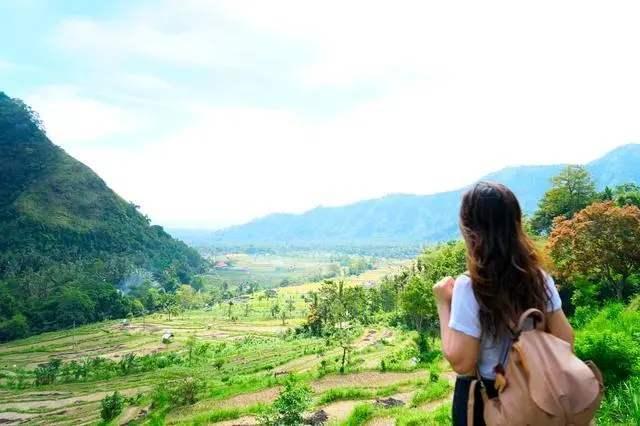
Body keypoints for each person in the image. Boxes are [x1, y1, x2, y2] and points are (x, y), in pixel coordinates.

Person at [432, 182, 574, 426]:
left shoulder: (471, 285)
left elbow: (461, 361)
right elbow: (565, 340)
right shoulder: (539, 277)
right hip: (539, 396)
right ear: (516, 224)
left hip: (492, 400)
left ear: (469, 229)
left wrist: (443, 304)